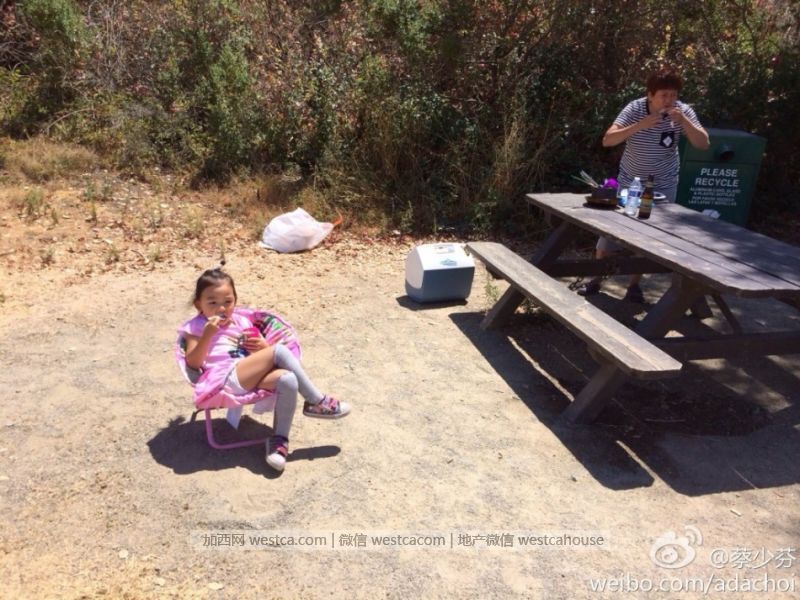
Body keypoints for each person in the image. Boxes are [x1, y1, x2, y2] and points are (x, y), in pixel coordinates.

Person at [179, 268, 350, 472]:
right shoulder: (196, 326)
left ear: (235, 300)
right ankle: (316, 401)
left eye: (228, 301)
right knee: (278, 351)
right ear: (199, 304)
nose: (221, 308)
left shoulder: (242, 321)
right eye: (212, 302)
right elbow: (193, 363)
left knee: (288, 380)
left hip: (247, 375)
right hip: (223, 380)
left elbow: (261, 356)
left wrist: (262, 347)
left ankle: (278, 443)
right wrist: (208, 334)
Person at [577, 65, 709, 302]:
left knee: (649, 238)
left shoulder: (682, 111)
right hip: (630, 183)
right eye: (663, 95)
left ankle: (634, 286)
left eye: (673, 95)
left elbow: (703, 144)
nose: (669, 100)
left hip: (663, 185)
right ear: (650, 95)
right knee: (610, 233)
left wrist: (684, 122)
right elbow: (608, 140)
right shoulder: (635, 109)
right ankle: (595, 279)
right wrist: (641, 124)